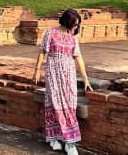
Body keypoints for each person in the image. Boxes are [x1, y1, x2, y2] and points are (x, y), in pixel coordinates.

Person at [34, 9, 93, 155]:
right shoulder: (51, 33)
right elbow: (42, 52)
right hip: (53, 72)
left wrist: (85, 77)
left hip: (69, 74)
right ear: (66, 21)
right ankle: (54, 138)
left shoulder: (72, 37)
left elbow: (78, 57)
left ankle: (69, 141)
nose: (75, 27)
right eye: (74, 24)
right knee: (54, 103)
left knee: (69, 105)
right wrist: (37, 70)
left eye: (77, 25)